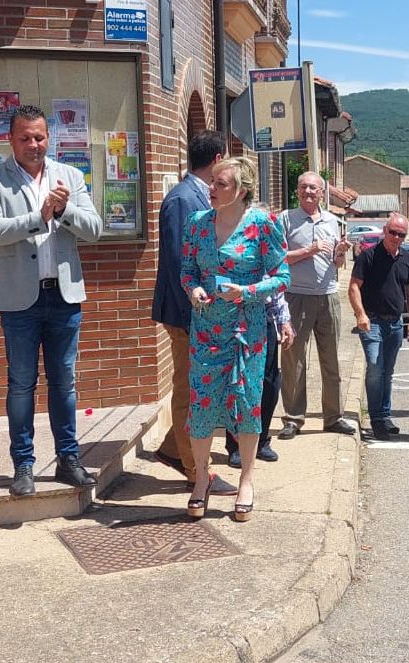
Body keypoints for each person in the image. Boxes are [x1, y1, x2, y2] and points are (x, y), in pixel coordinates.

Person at [0, 105, 103, 497]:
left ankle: (68, 460)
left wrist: (63, 210)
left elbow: (95, 230)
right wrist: (37, 216)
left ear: (50, 138)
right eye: (25, 137)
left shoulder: (70, 176)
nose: (34, 144)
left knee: (64, 383)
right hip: (19, 300)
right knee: (20, 385)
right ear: (10, 139)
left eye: (40, 137)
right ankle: (24, 465)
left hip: (63, 296)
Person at [180, 157, 289, 521]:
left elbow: (281, 276)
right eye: (211, 182)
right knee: (202, 405)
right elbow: (187, 271)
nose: (211, 188)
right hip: (207, 329)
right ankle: (201, 480)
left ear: (242, 190)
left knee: (245, 403)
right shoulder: (197, 224)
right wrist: (193, 288)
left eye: (220, 184)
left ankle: (246, 480)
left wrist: (246, 290)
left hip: (248, 330)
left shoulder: (263, 224)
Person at [151, 130, 237, 495]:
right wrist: (197, 311)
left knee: (198, 387)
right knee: (189, 389)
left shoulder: (200, 197)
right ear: (218, 159)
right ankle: (195, 471)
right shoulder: (183, 201)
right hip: (188, 313)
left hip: (199, 313)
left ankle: (174, 449)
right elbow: (177, 264)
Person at [277, 171, 354, 439]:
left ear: (322, 193)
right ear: (297, 192)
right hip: (296, 296)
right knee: (293, 360)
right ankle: (293, 419)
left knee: (331, 359)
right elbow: (278, 259)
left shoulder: (333, 222)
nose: (308, 192)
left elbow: (336, 263)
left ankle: (333, 417)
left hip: (328, 296)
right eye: (303, 188)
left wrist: (340, 253)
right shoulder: (286, 219)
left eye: (313, 188)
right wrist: (308, 251)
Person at [349, 212, 409, 439]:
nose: (396, 237)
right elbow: (354, 287)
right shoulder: (368, 257)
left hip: (395, 323)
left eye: (401, 234)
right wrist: (360, 314)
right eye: (393, 232)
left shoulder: (407, 259)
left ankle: (385, 415)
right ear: (385, 231)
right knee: (376, 367)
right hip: (372, 321)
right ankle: (376, 418)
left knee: (388, 372)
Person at [225, 293, 294, 466]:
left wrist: (284, 320)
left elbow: (277, 289)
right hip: (235, 317)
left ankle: (261, 441)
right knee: (237, 381)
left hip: (264, 317)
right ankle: (235, 445)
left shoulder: (268, 265)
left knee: (270, 383)